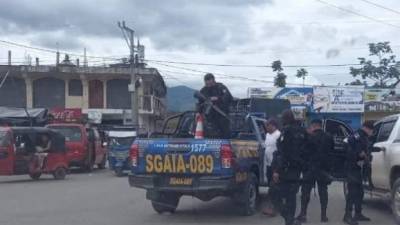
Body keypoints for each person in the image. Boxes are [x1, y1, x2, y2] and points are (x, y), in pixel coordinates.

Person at [272, 110, 307, 225]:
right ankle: (290, 220)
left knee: (274, 191)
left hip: (285, 169)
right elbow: (309, 149)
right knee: (291, 197)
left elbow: (283, 153)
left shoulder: (286, 132)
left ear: (285, 119)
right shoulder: (303, 131)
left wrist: (277, 170)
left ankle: (288, 217)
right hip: (298, 170)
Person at [296, 119, 334, 223]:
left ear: (313, 126)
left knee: (305, 192)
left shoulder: (308, 137)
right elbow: (331, 152)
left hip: (309, 169)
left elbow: (302, 152)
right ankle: (323, 216)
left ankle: (303, 214)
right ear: (321, 126)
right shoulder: (329, 137)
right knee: (323, 192)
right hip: (323, 169)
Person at [343, 121, 374, 225]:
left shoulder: (364, 136)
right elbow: (349, 147)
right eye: (371, 130)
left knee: (360, 192)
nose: (371, 132)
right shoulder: (356, 135)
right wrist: (359, 155)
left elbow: (365, 149)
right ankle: (347, 216)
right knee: (352, 192)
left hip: (359, 168)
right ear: (366, 128)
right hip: (352, 167)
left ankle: (358, 213)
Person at [199, 73, 233, 139]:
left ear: (213, 80)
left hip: (222, 114)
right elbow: (200, 103)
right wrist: (199, 112)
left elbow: (229, 97)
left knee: (225, 133)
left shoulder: (221, 87)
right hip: (209, 116)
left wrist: (218, 98)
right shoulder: (203, 90)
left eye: (209, 81)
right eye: (206, 82)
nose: (208, 84)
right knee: (210, 133)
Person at [262, 118, 281, 216]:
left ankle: (274, 208)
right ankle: (273, 206)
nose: (266, 127)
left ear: (273, 125)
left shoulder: (278, 135)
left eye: (267, 126)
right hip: (268, 165)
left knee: (274, 187)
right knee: (271, 185)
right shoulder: (267, 135)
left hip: (276, 166)